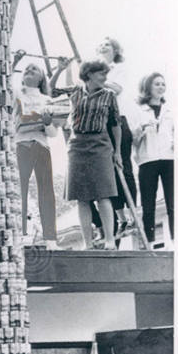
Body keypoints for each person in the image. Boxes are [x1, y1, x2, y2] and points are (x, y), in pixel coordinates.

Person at [66, 60, 122, 250]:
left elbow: (115, 124)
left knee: (103, 194)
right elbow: (49, 91)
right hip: (77, 144)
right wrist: (62, 68)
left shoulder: (109, 96)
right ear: (89, 74)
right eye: (101, 74)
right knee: (82, 197)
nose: (105, 78)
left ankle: (109, 240)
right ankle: (87, 243)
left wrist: (118, 152)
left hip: (100, 143)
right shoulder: (75, 92)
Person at [14, 57, 70, 248]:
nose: (29, 70)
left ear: (41, 78)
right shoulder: (17, 94)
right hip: (21, 144)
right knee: (19, 190)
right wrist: (14, 61)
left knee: (46, 191)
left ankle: (50, 239)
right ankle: (20, 235)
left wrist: (46, 123)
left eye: (34, 69)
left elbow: (53, 133)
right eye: (27, 68)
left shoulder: (47, 100)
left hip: (41, 145)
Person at [96, 35, 138, 239]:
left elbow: (117, 89)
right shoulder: (95, 70)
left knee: (123, 166)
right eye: (101, 45)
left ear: (115, 50)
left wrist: (97, 79)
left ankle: (133, 214)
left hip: (118, 119)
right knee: (107, 172)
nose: (104, 47)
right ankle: (121, 218)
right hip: (100, 122)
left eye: (108, 45)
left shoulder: (117, 68)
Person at [132, 72, 174, 248]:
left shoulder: (170, 111)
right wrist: (142, 129)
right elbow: (132, 140)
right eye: (156, 84)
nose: (161, 87)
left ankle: (175, 241)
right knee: (148, 204)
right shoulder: (139, 111)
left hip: (169, 158)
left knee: (173, 202)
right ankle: (149, 243)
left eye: (163, 84)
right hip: (147, 159)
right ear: (148, 87)